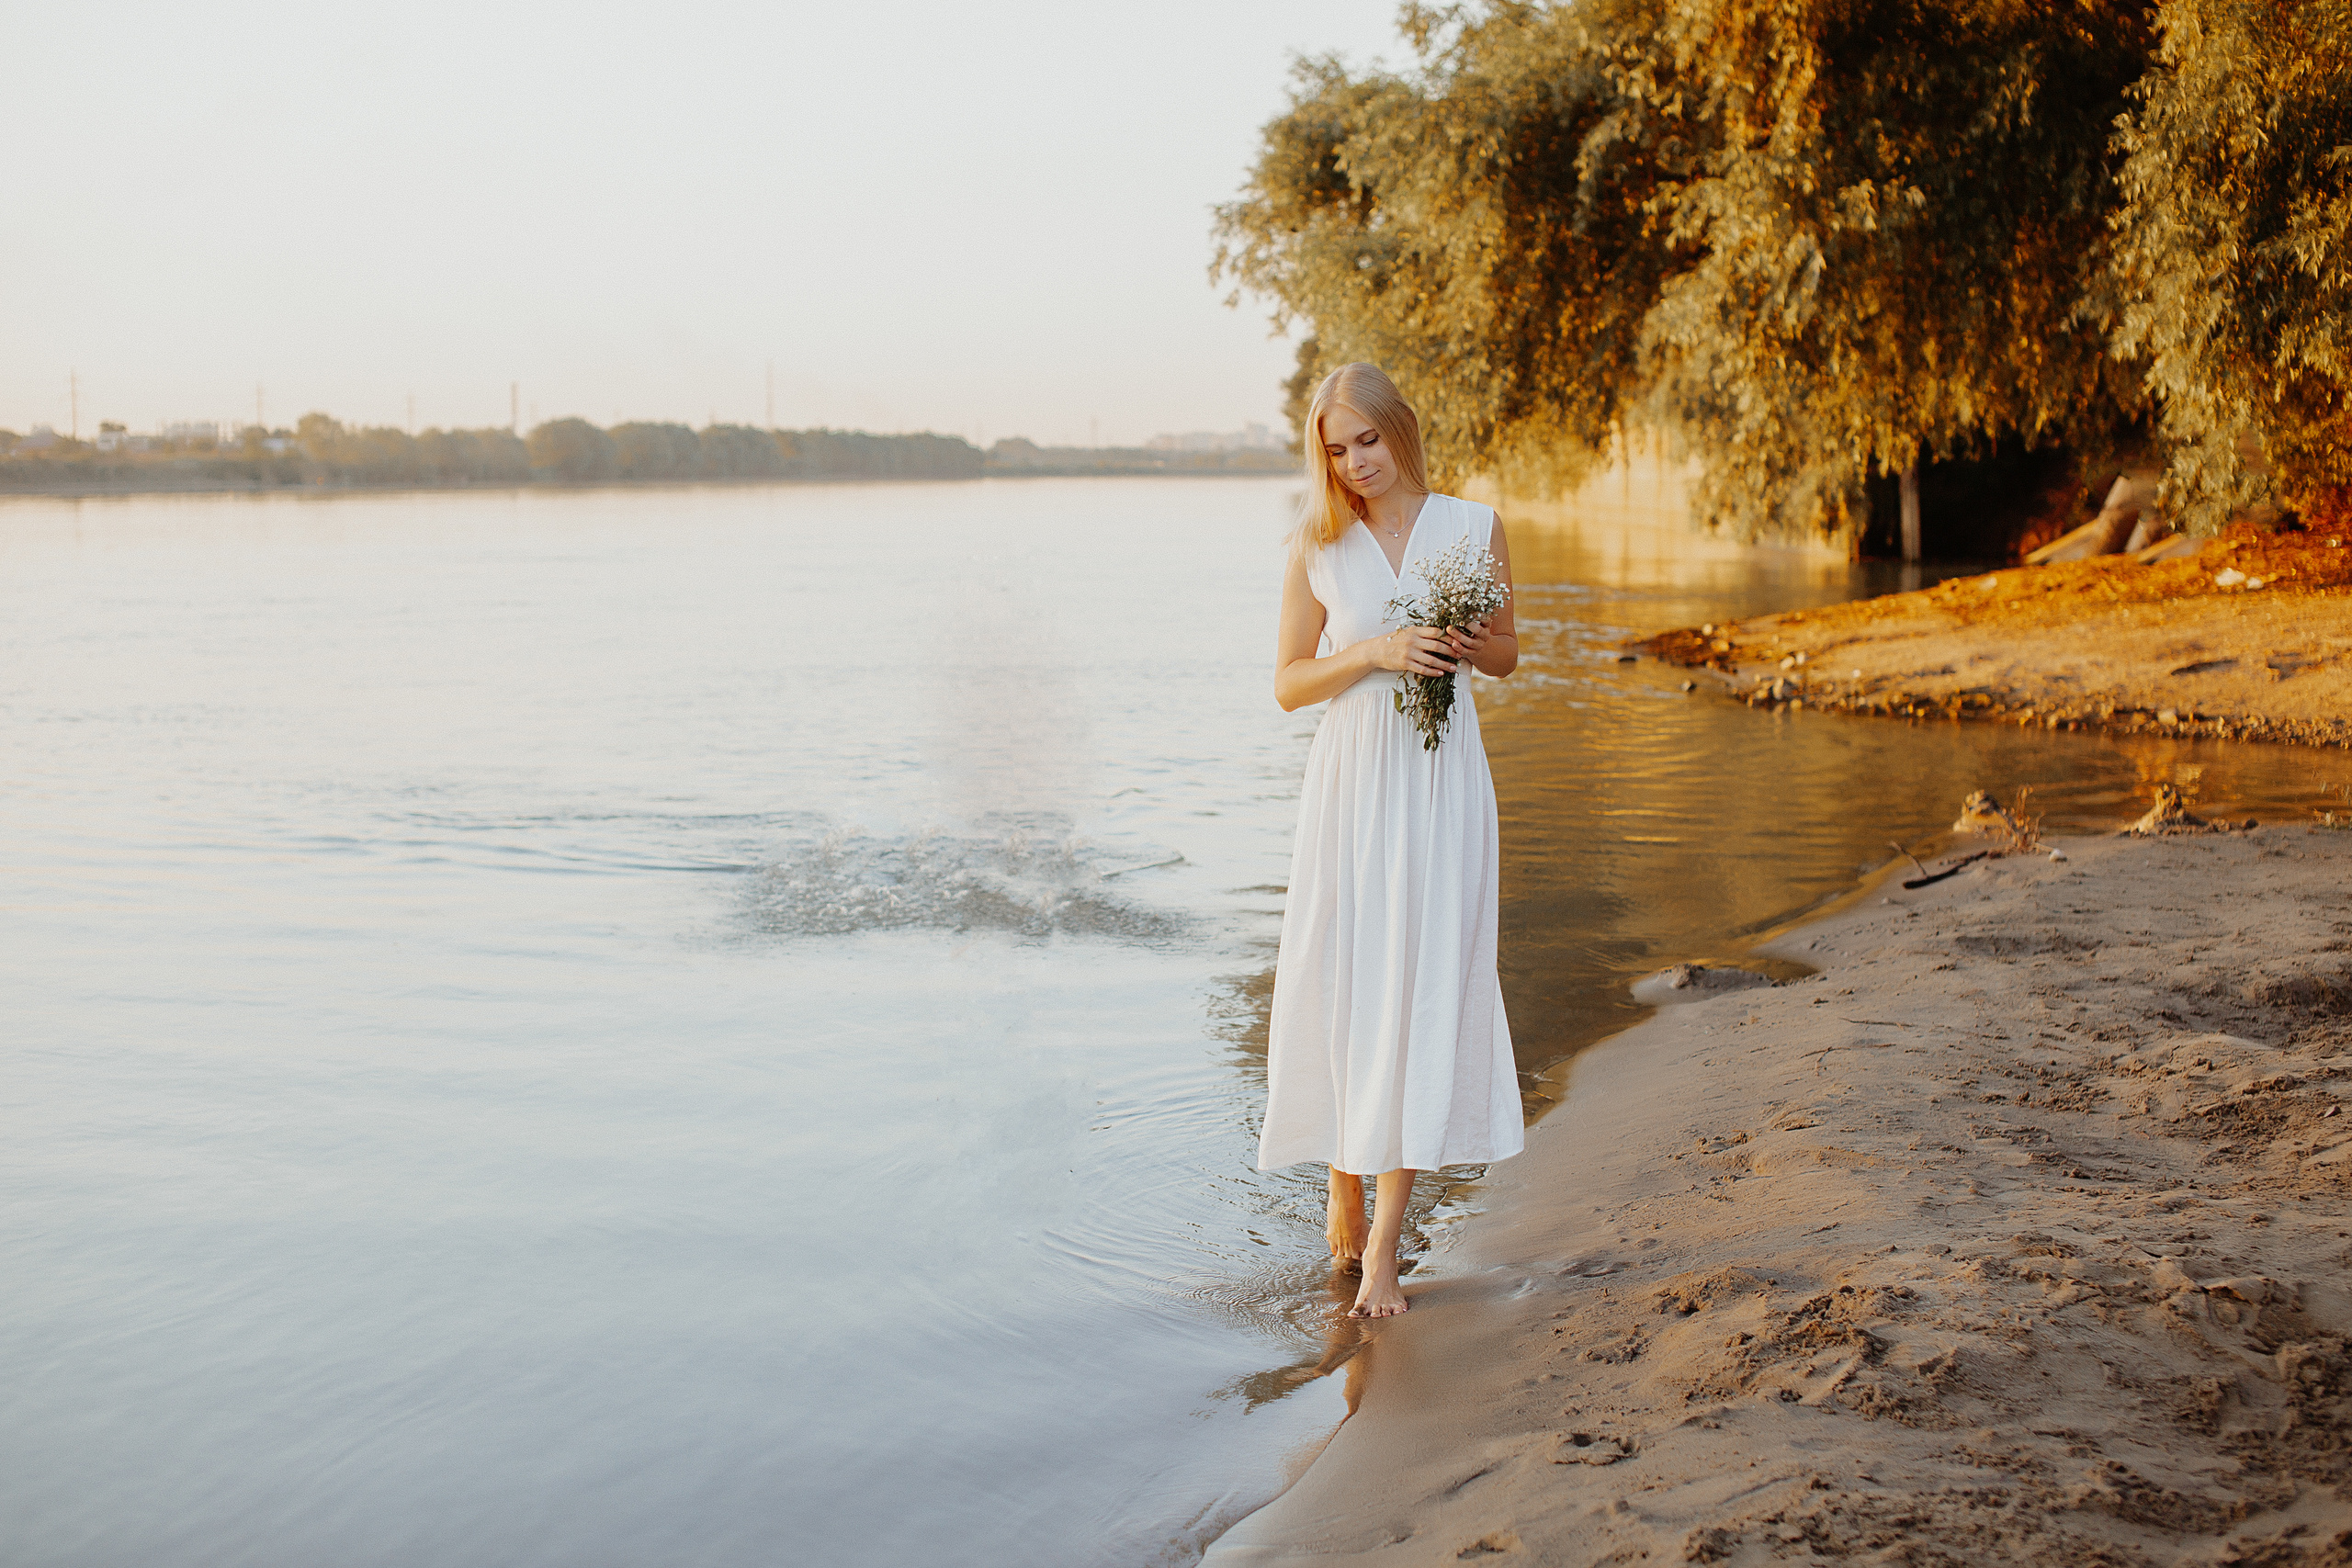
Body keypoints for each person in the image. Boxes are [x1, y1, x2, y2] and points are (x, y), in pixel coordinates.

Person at [1260, 362, 1524, 1319]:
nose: (1355, 462)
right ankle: (1342, 1172)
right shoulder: (1317, 545)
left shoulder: (1472, 526)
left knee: (1420, 982)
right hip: (1352, 783)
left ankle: (1383, 1248)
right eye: (1336, 449)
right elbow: (1288, 682)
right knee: (1344, 972)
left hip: (1442, 779)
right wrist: (1371, 650)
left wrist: (1457, 641)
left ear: (1399, 430)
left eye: (1366, 440)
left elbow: (1506, 653)